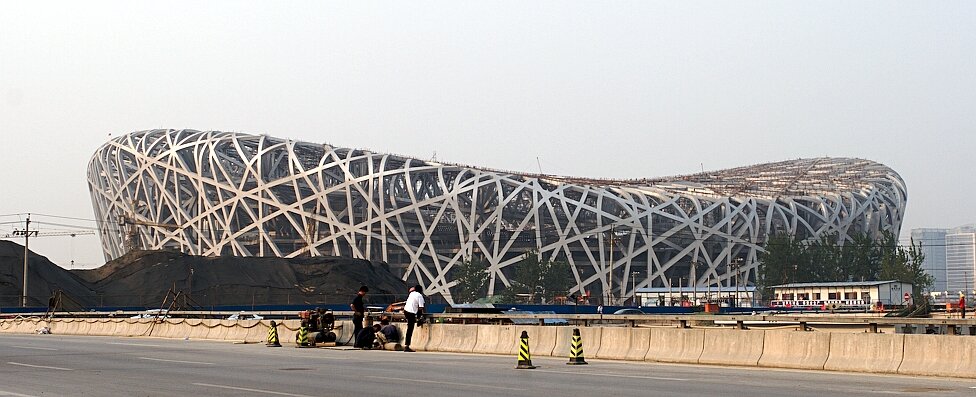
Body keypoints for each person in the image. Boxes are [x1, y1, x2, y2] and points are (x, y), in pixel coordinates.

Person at [403, 284, 425, 352]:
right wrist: (419, 316)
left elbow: (411, 290)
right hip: (411, 313)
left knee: (409, 327)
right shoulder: (420, 296)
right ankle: (407, 346)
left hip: (406, 311)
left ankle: (418, 320)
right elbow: (421, 307)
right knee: (410, 329)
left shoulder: (412, 293)